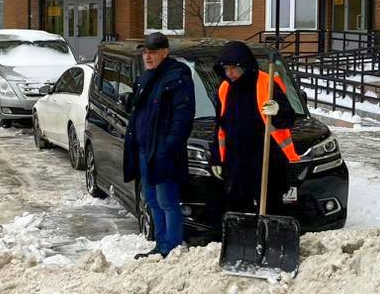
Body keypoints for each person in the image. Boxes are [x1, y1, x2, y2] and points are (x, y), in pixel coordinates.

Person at [123, 32, 195, 258]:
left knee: (167, 200)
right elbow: (142, 111)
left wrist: (168, 146)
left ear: (165, 52)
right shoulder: (147, 78)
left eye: (152, 52)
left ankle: (171, 247)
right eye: (145, 52)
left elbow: (183, 118)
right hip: (145, 149)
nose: (147, 56)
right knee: (152, 199)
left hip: (163, 152)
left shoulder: (177, 77)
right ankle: (160, 242)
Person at [213, 41, 300, 216]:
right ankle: (243, 241)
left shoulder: (267, 83)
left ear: (244, 66)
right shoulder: (225, 88)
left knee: (270, 207)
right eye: (226, 69)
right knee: (238, 208)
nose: (229, 74)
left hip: (267, 160)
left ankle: (270, 240)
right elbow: (221, 127)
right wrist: (217, 158)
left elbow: (288, 118)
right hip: (237, 161)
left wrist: (278, 109)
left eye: (233, 69)